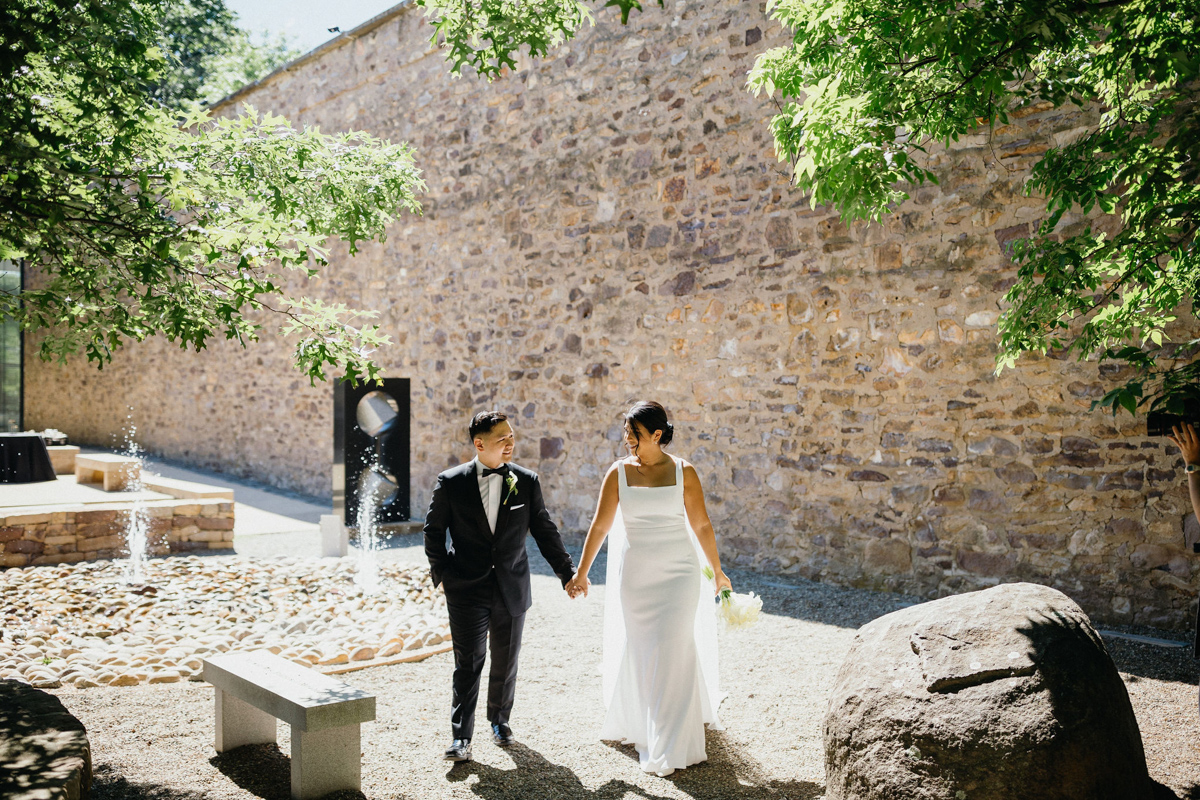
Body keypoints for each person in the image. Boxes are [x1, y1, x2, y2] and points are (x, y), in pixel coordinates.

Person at [566, 400, 730, 776]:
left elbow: (702, 526)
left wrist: (718, 573)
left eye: (634, 434)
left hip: (680, 573)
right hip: (636, 576)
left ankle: (672, 741)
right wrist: (582, 573)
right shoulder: (618, 473)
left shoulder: (684, 472)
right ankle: (643, 724)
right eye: (626, 432)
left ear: (657, 435)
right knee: (644, 647)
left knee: (674, 645)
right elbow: (600, 527)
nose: (628, 440)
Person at [423, 411, 577, 763]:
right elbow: (433, 531)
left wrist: (567, 573)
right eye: (502, 438)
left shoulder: (526, 481)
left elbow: (544, 530)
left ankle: (499, 721)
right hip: (466, 588)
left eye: (512, 436)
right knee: (468, 663)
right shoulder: (451, 482)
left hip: (512, 586)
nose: (511, 443)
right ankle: (461, 737)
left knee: (506, 662)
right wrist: (444, 574)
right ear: (480, 444)